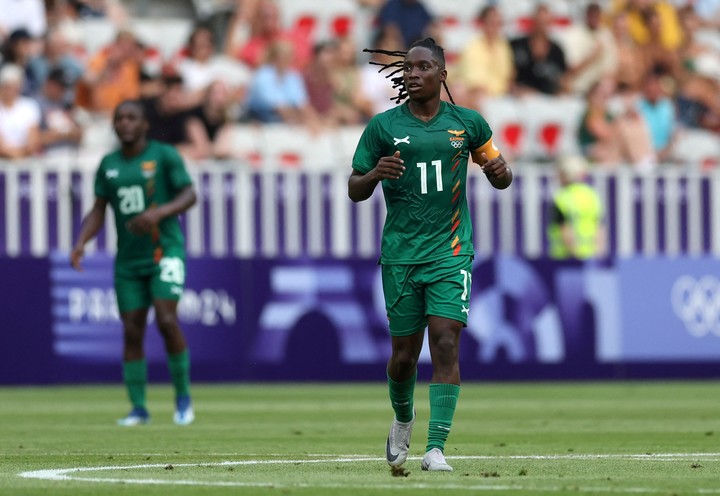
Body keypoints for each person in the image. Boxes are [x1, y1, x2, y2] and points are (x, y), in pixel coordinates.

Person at [348, 37, 512, 472]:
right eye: (409, 68)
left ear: (442, 74)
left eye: (423, 67)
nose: (413, 74)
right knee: (404, 355)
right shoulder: (383, 127)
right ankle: (404, 417)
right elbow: (354, 188)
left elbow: (499, 173)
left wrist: (501, 171)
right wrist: (374, 174)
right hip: (401, 255)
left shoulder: (469, 123)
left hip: (451, 252)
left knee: (445, 340)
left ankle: (435, 448)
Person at [70, 100, 197, 426]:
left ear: (144, 125)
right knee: (131, 329)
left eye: (132, 118)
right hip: (128, 260)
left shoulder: (164, 155)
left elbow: (189, 195)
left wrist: (158, 212)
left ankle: (183, 398)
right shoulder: (109, 164)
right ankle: (138, 408)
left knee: (167, 320)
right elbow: (99, 208)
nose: (125, 123)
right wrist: (82, 241)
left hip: (164, 251)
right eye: (119, 118)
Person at [547, 155, 604, 259]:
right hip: (591, 257)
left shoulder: (562, 197)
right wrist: (599, 254)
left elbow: (565, 229)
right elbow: (599, 229)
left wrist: (574, 255)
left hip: (566, 257)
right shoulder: (592, 195)